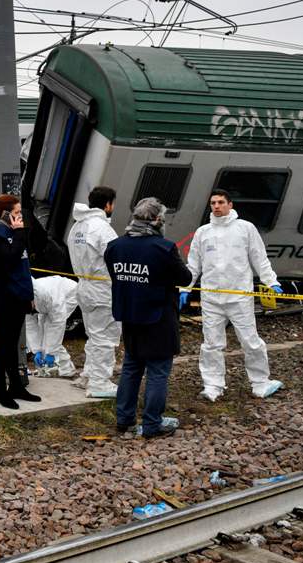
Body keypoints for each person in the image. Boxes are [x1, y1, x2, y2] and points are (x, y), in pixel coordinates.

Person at [185, 189, 284, 401]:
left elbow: (259, 258)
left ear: (230, 204)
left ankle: (260, 383)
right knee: (211, 343)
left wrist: (271, 281)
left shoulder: (245, 229)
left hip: (239, 296)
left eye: (220, 202)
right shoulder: (203, 232)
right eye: (213, 203)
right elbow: (193, 264)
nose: (216, 206)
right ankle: (213, 386)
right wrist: (185, 288)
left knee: (250, 340)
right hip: (211, 298)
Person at [105, 198, 192, 439]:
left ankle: (124, 420)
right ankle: (152, 424)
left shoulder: (115, 246)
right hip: (158, 317)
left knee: (131, 368)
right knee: (157, 371)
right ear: (157, 220)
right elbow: (184, 278)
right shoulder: (163, 248)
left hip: (129, 315)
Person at [0, 194, 41, 410]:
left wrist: (29, 294)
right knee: (2, 344)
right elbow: (9, 258)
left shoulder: (12, 231)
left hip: (18, 293)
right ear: (4, 214)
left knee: (13, 343)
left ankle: (16, 385)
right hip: (3, 294)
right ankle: (1, 391)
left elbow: (23, 262)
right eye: (16, 213)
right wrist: (19, 232)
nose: (20, 217)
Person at [67, 186, 121, 398]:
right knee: (105, 338)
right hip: (102, 289)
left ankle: (89, 375)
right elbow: (115, 258)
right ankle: (100, 382)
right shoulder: (102, 228)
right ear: (108, 204)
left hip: (85, 287)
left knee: (94, 334)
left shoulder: (77, 227)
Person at [25, 275, 79, 378]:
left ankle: (66, 369)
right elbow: (30, 326)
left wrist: (51, 352)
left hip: (68, 294)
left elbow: (57, 324)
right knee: (43, 331)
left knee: (49, 330)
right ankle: (50, 366)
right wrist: (37, 351)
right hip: (45, 303)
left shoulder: (45, 296)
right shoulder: (22, 299)